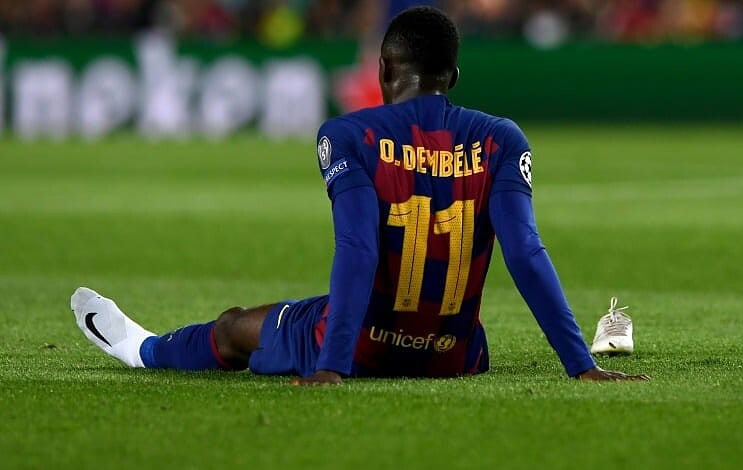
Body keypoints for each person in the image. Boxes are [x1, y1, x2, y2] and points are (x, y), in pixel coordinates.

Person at [71, 6, 647, 385]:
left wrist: (333, 364)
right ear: (453, 76)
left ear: (384, 68)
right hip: (454, 357)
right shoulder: (502, 139)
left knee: (233, 326)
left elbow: (359, 248)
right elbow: (525, 251)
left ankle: (142, 350)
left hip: (365, 347)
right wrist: (581, 365)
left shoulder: (349, 135)